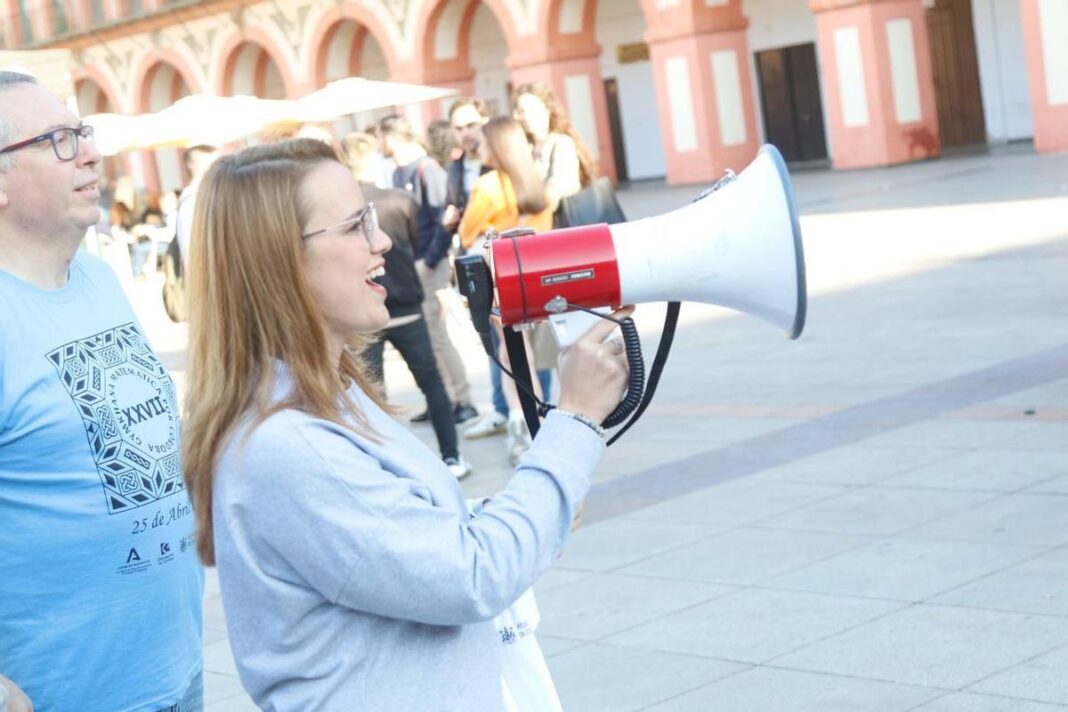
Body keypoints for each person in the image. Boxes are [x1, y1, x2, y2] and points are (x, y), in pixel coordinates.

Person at [181, 137, 631, 710]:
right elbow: (471, 576)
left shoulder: (319, 393)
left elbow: (397, 542)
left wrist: (523, 513)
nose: (383, 241)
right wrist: (577, 415)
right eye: (354, 227)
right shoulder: (286, 443)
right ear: (279, 262)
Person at [0, 71, 203, 712]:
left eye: (82, 131)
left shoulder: (96, 277)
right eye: (57, 139)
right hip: (68, 693)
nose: (89, 151)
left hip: (177, 670)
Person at [343, 131, 472, 479]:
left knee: (374, 395)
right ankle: (452, 455)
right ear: (373, 159)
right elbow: (418, 243)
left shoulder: (343, 213)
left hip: (366, 307)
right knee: (431, 382)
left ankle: (387, 468)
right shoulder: (398, 200)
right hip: (407, 302)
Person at [457, 117, 556, 465]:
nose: (478, 147)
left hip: (498, 283)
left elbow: (467, 235)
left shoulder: (488, 186)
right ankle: (541, 418)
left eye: (484, 141)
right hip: (535, 281)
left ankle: (522, 420)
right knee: (531, 354)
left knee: (511, 352)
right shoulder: (534, 183)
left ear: (497, 146)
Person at [378, 114, 478, 425]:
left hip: (428, 265)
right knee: (429, 338)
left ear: (392, 137)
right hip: (413, 266)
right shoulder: (399, 173)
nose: (379, 144)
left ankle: (463, 399)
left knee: (437, 336)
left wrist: (430, 261)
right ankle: (443, 400)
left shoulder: (427, 170)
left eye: (381, 137)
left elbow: (442, 221)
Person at [512, 81, 597, 214]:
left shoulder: (562, 144)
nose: (526, 116)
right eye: (522, 111)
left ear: (548, 110)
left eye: (532, 109)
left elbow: (558, 188)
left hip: (562, 225)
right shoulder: (525, 148)